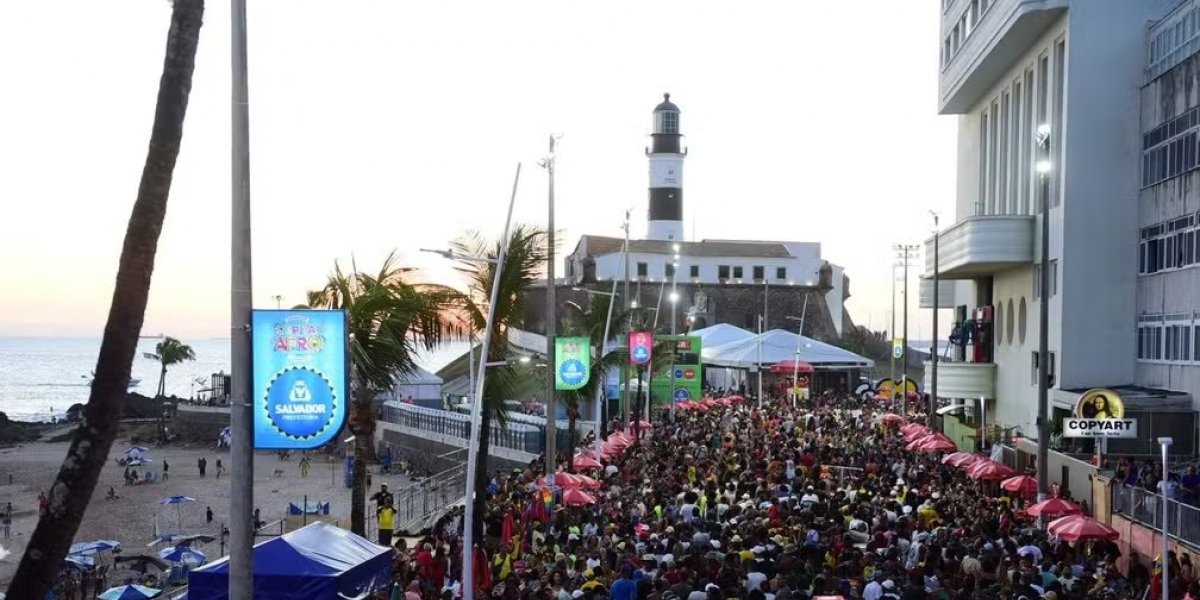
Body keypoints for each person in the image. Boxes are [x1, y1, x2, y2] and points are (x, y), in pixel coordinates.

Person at [372, 483, 396, 547]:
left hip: (389, 528)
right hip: (382, 527)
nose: (383, 488)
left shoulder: (391, 508)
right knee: (382, 543)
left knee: (388, 543)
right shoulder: (378, 495)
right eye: (382, 486)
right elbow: (372, 499)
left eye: (384, 486)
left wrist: (390, 506)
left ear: (386, 487)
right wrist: (383, 506)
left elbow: (395, 511)